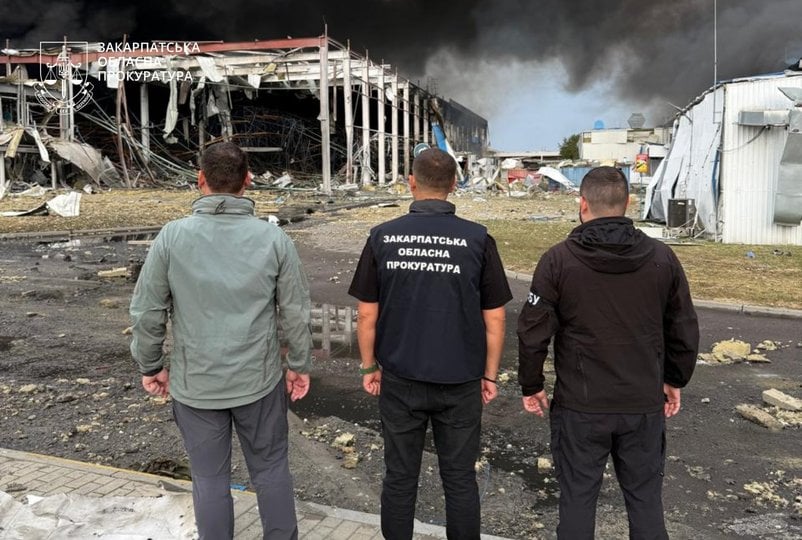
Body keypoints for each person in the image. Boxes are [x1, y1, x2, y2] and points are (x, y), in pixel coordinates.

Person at [130, 141, 312, 540]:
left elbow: (147, 310)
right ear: (248, 181)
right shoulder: (273, 239)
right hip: (258, 382)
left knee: (209, 479)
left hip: (196, 384)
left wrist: (151, 365)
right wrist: (299, 365)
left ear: (200, 180)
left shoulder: (172, 237)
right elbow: (296, 312)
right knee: (271, 469)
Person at [517, 166, 699, 539]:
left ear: (582, 204)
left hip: (581, 408)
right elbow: (683, 327)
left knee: (577, 502)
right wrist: (674, 379)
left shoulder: (558, 260)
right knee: (646, 503)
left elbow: (533, 331)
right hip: (641, 404)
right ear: (627, 203)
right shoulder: (662, 258)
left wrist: (531, 384)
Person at [348, 147, 513, 539]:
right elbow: (495, 317)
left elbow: (367, 314)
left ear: (411, 183)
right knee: (459, 478)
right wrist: (490, 374)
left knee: (400, 477)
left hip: (400, 378)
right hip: (460, 381)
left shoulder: (382, 236)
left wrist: (369, 366)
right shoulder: (478, 239)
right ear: (454, 184)